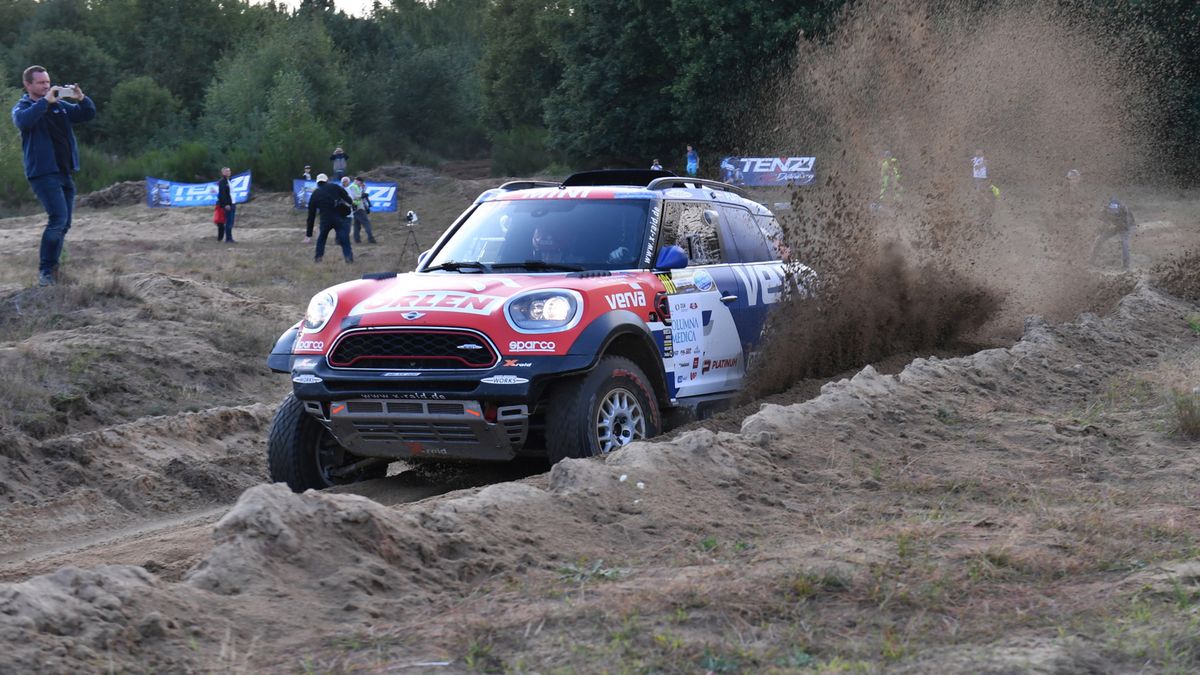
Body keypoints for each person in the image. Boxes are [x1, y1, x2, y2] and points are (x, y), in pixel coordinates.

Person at [11, 65, 97, 286]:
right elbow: (23, 122)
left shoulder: (60, 105)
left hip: (65, 171)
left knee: (65, 223)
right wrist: (44, 102)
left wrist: (81, 98)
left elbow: (87, 114)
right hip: (42, 173)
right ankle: (46, 272)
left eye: (48, 82)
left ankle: (53, 271)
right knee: (57, 219)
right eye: (40, 82)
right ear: (28, 85)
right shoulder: (24, 107)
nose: (46, 86)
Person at [307, 173, 354, 263]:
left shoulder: (315, 194)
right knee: (344, 239)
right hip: (339, 217)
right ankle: (348, 258)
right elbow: (348, 199)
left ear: (317, 183)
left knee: (321, 239)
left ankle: (318, 257)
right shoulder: (335, 187)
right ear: (327, 180)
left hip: (325, 219)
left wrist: (309, 233)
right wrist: (349, 203)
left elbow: (311, 214)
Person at [1090, 197, 1137, 270]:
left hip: (1127, 226)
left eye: (1115, 212)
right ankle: (1091, 261)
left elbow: (1126, 226)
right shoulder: (1104, 209)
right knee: (1099, 239)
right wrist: (1104, 227)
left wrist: (1115, 224)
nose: (1112, 214)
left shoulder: (1125, 210)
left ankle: (1126, 266)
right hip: (1114, 225)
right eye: (1111, 212)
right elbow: (1101, 220)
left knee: (1124, 243)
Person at [348, 176, 377, 244]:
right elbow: (356, 196)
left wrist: (363, 189)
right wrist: (362, 195)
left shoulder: (356, 187)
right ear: (357, 181)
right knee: (366, 223)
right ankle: (371, 238)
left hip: (357, 207)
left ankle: (357, 239)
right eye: (360, 183)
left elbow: (359, 195)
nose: (361, 184)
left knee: (357, 224)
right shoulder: (353, 187)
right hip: (358, 207)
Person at [216, 166, 236, 243]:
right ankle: (228, 238)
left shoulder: (229, 181)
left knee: (231, 222)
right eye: (227, 171)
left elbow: (230, 193)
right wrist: (226, 204)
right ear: (223, 173)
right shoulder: (222, 182)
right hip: (228, 205)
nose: (228, 172)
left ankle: (229, 237)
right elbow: (222, 194)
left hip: (233, 203)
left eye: (229, 171)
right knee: (228, 221)